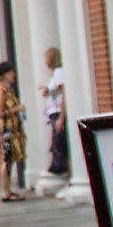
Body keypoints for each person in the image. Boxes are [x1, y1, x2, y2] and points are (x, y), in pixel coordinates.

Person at [0, 60, 26, 201]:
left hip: (14, 129)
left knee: (11, 158)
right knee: (7, 159)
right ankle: (5, 191)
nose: (14, 74)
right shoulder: (0, 91)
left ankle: (8, 190)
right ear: (5, 74)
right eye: (11, 72)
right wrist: (16, 109)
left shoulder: (8, 89)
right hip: (7, 130)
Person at [43, 45, 68, 179]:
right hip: (54, 112)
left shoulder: (59, 72)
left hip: (58, 112)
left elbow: (64, 93)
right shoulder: (55, 74)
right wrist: (47, 91)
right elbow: (57, 92)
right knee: (58, 144)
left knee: (61, 145)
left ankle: (66, 174)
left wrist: (61, 118)